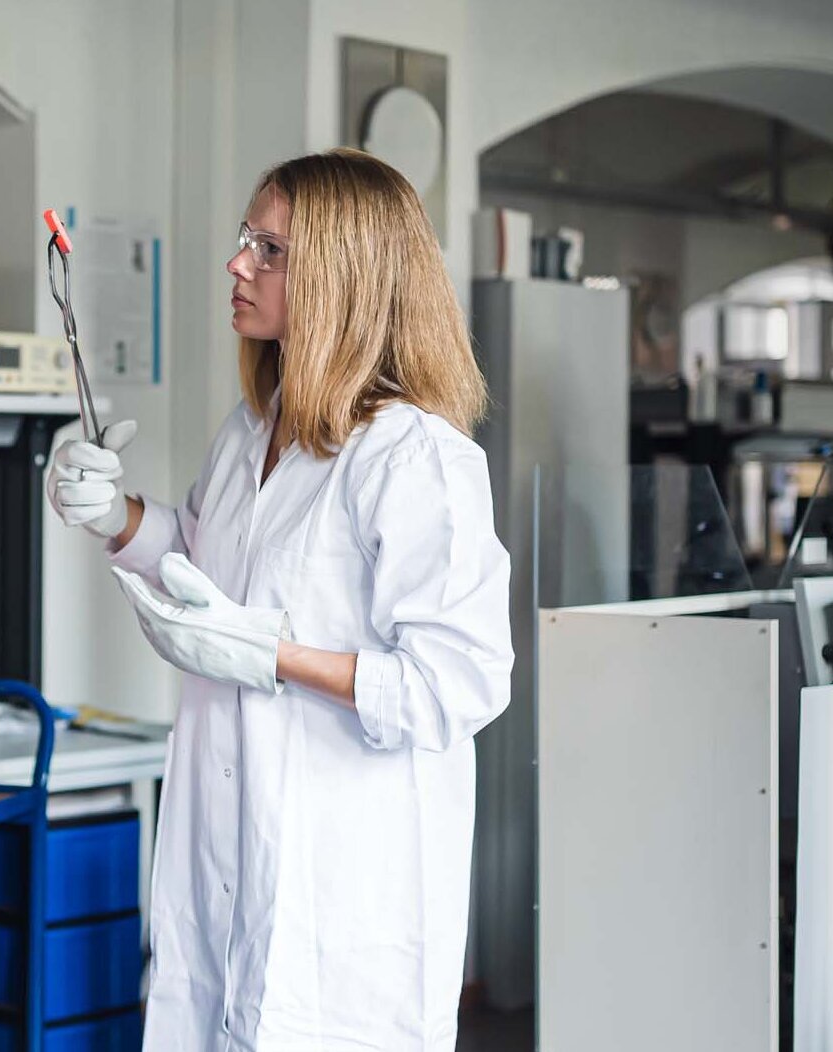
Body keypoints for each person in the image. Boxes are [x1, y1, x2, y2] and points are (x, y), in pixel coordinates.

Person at [46, 149, 514, 1050]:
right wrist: (115, 514)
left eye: (270, 249)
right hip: (223, 867)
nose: (237, 264)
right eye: (244, 239)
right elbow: (201, 566)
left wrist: (270, 656)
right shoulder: (252, 432)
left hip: (338, 911)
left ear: (343, 277)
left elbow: (457, 683)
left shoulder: (414, 458)